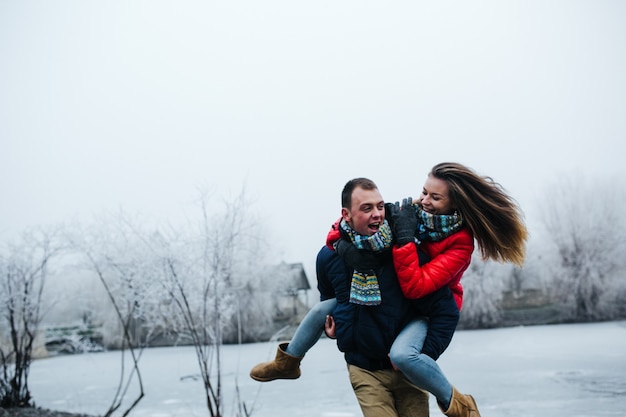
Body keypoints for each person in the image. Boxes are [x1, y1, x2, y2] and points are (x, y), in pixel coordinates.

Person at [252, 163, 528, 417]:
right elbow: (334, 292)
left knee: (402, 355)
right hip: (367, 364)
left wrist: (405, 240)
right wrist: (341, 246)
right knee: (324, 308)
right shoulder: (398, 222)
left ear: (453, 205)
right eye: (424, 193)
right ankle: (287, 361)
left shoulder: (452, 242)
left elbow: (416, 287)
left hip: (428, 309)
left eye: (435, 197)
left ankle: (459, 405)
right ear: (347, 214)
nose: (425, 201)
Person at [253, 178, 430, 417]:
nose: (377, 214)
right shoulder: (328, 257)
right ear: (346, 214)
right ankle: (287, 362)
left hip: (407, 369)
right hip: (364, 368)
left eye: (380, 206)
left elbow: (427, 304)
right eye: (366, 208)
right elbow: (329, 304)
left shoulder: (403, 246)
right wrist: (333, 329)